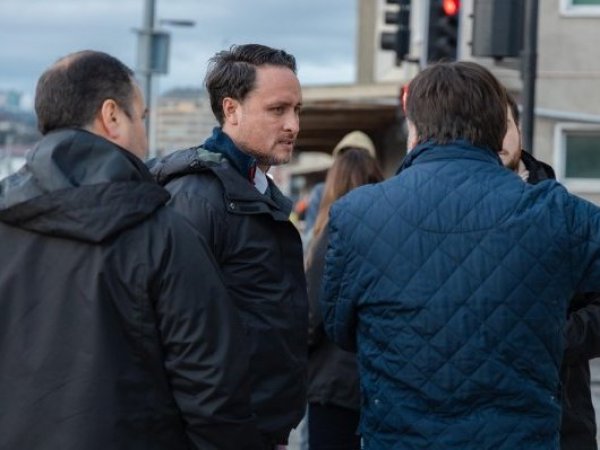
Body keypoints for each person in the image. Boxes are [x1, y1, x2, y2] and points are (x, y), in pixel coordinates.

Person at [320, 61, 600, 449]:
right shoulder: (554, 211)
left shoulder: (356, 214)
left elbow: (339, 326)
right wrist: (554, 333)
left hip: (403, 436)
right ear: (499, 130)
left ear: (414, 130)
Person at [0, 50, 261, 450]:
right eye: (141, 115)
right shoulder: (163, 235)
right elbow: (213, 392)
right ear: (112, 117)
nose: (144, 131)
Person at [150, 44, 307, 449]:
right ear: (231, 110)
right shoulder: (197, 196)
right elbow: (180, 337)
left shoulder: (251, 189)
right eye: (277, 110)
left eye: (297, 110)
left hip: (255, 426)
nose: (293, 125)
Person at [502, 93, 600, 450]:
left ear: (519, 129)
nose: (497, 137)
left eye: (504, 125)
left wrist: (555, 337)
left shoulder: (565, 213)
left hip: (563, 421)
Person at [306, 147, 383, 450]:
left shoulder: (332, 232)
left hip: (333, 384)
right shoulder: (387, 232)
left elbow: (311, 314)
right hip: (379, 382)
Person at [303, 130, 377, 239]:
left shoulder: (320, 192)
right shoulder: (320, 192)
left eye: (359, 156)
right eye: (347, 156)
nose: (352, 162)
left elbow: (309, 241)